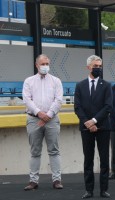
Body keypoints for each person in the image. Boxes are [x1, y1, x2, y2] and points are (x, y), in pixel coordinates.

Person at [22, 54, 64, 191]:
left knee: (54, 150)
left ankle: (57, 180)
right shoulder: (29, 81)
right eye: (43, 64)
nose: (45, 66)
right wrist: (39, 113)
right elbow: (27, 99)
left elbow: (58, 100)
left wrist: (49, 114)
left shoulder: (56, 81)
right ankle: (33, 181)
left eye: (47, 63)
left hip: (52, 120)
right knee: (35, 151)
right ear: (36, 65)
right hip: (34, 120)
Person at [74, 55, 113, 198]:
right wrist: (88, 122)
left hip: (103, 127)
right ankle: (88, 190)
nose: (98, 68)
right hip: (86, 128)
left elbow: (108, 106)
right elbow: (77, 107)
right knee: (88, 159)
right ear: (88, 67)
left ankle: (104, 190)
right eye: (95, 66)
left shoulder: (107, 85)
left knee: (104, 160)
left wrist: (94, 121)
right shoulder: (80, 85)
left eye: (100, 66)